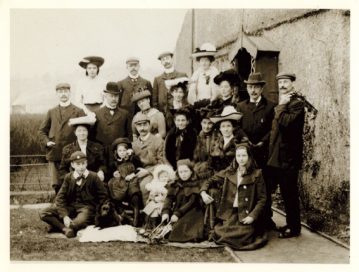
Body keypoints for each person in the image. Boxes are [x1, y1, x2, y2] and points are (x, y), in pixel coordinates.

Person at [200, 143, 267, 250]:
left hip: (246, 213)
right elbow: (210, 180)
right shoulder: (229, 172)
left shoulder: (257, 174)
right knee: (223, 233)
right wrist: (203, 192)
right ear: (235, 157)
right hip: (231, 212)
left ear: (249, 156)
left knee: (245, 235)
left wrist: (252, 216)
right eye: (238, 156)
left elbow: (262, 199)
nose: (241, 159)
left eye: (244, 156)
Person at [267, 72, 305, 238]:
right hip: (277, 156)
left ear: (292, 84)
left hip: (288, 157)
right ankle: (276, 222)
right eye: (280, 82)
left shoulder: (297, 104)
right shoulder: (283, 102)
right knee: (273, 189)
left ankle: (294, 228)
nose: (282, 85)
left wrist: (281, 106)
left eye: (286, 82)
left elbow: (286, 122)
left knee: (289, 193)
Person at [237, 72, 276, 230]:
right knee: (248, 183)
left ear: (261, 89)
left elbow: (273, 128)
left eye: (256, 87)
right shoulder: (240, 106)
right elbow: (237, 127)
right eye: (250, 87)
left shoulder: (270, 106)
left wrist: (263, 141)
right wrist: (245, 139)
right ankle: (248, 217)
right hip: (246, 153)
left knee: (264, 185)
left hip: (263, 152)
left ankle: (267, 218)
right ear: (247, 88)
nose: (253, 90)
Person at [39, 151, 108, 238]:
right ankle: (64, 229)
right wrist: (64, 216)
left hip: (86, 208)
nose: (81, 167)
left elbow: (103, 196)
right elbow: (60, 197)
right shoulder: (68, 177)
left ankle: (58, 226)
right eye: (78, 164)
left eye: (83, 163)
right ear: (72, 165)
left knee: (78, 223)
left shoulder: (93, 177)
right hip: (70, 207)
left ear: (86, 163)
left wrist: (97, 211)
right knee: (44, 213)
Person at [38, 83, 86, 194]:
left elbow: (85, 130)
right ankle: (58, 206)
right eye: (60, 92)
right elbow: (41, 131)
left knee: (74, 182)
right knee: (56, 184)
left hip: (73, 154)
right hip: (55, 152)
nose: (63, 94)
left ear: (70, 93)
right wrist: (47, 142)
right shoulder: (51, 111)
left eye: (65, 91)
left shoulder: (78, 111)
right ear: (57, 94)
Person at [162, 159, 205, 242]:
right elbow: (169, 198)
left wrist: (177, 214)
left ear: (191, 172)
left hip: (192, 211)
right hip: (177, 210)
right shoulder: (175, 184)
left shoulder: (195, 184)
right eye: (181, 172)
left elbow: (191, 202)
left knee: (179, 231)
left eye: (186, 171)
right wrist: (165, 212)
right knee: (166, 226)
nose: (183, 174)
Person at [93, 82, 131, 174]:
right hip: (102, 152)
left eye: (116, 96)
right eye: (111, 96)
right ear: (106, 96)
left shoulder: (124, 114)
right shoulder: (97, 113)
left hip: (119, 152)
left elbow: (129, 134)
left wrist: (128, 149)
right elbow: (92, 135)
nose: (114, 99)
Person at [58, 119, 106, 190]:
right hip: (75, 181)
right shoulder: (67, 149)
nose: (82, 133)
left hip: (93, 180)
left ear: (88, 132)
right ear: (75, 133)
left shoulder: (97, 147)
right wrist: (71, 178)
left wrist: (101, 171)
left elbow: (103, 164)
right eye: (79, 131)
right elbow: (62, 169)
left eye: (84, 130)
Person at [132, 113, 165, 204]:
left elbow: (162, 161)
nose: (142, 128)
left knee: (144, 186)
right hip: (138, 173)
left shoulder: (157, 141)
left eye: (145, 124)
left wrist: (147, 171)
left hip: (154, 172)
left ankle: (147, 215)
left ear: (149, 125)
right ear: (135, 127)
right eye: (139, 125)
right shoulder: (134, 145)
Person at [209, 105, 243, 172]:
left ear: (233, 128)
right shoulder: (216, 143)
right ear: (220, 129)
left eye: (228, 126)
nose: (226, 129)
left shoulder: (239, 143)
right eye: (223, 126)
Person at [117, 57, 152, 122]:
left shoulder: (146, 82)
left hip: (143, 116)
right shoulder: (120, 84)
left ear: (139, 67)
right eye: (131, 66)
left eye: (135, 65)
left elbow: (151, 101)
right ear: (127, 67)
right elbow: (118, 102)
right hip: (126, 116)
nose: (133, 68)